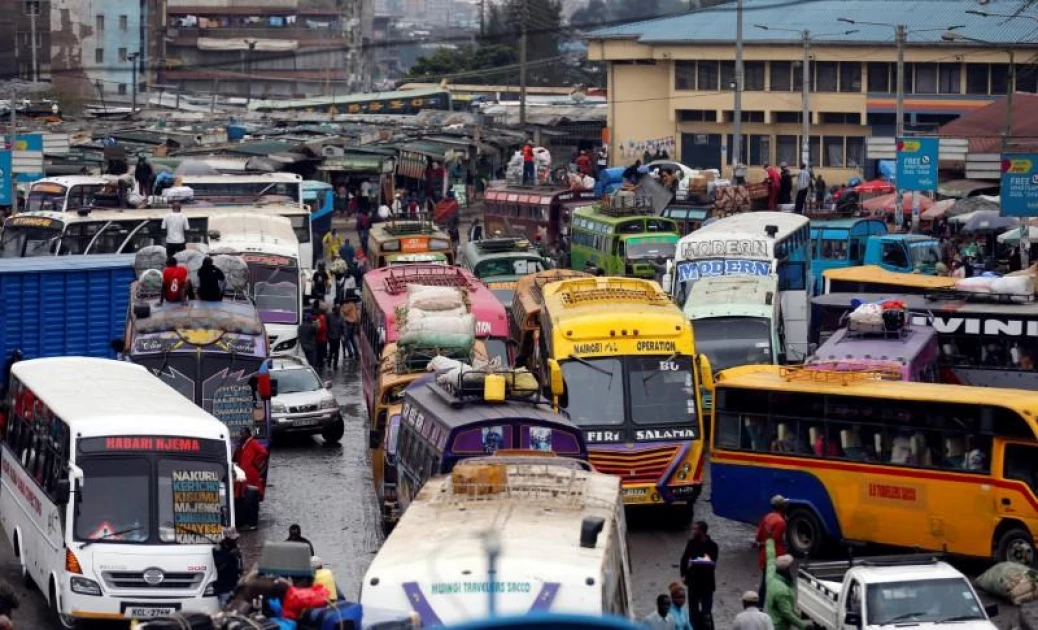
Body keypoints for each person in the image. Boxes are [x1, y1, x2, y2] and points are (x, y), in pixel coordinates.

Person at [680, 520, 718, 630]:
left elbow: (712, 563)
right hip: (693, 582)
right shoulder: (691, 543)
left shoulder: (713, 546)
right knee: (693, 612)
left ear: (702, 531)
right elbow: (685, 558)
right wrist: (683, 574)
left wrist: (696, 561)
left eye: (695, 529)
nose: (693, 531)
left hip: (707, 583)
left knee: (707, 613)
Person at [764, 539, 804, 630]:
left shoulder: (771, 575)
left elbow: (770, 557)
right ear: (786, 570)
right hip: (780, 626)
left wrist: (769, 540)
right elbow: (787, 613)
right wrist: (804, 626)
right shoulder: (782, 591)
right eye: (790, 566)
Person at [232, 427, 268, 530]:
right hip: (243, 476)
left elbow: (263, 452)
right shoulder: (242, 445)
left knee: (251, 499)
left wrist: (254, 463)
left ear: (248, 434)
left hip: (251, 477)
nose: (240, 435)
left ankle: (252, 523)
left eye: (242, 434)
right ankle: (243, 522)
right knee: (241, 499)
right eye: (240, 434)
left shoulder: (252, 443)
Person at [755, 495, 789, 604]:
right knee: (785, 581)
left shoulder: (767, 517)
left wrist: (760, 544)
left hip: (764, 555)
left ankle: (761, 604)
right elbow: (774, 540)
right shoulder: (781, 522)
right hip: (776, 556)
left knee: (766, 581)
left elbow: (759, 535)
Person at [212, 527, 243, 607]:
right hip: (224, 587)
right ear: (226, 538)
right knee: (225, 609)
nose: (235, 541)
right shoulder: (218, 549)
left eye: (236, 539)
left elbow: (240, 566)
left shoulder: (236, 547)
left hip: (235, 585)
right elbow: (220, 567)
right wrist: (230, 555)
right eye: (232, 539)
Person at [326, 304, 344, 370]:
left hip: (337, 337)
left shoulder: (341, 318)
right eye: (337, 309)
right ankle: (329, 364)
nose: (338, 310)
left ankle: (335, 365)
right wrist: (327, 334)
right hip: (331, 337)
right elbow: (327, 325)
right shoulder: (329, 316)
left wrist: (343, 335)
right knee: (331, 351)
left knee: (336, 352)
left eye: (338, 309)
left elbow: (343, 327)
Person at [313, 304, 329, 369]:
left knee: (318, 352)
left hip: (319, 339)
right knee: (321, 352)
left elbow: (321, 328)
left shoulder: (320, 318)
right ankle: (320, 364)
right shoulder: (323, 317)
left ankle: (319, 364)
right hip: (323, 338)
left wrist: (316, 330)